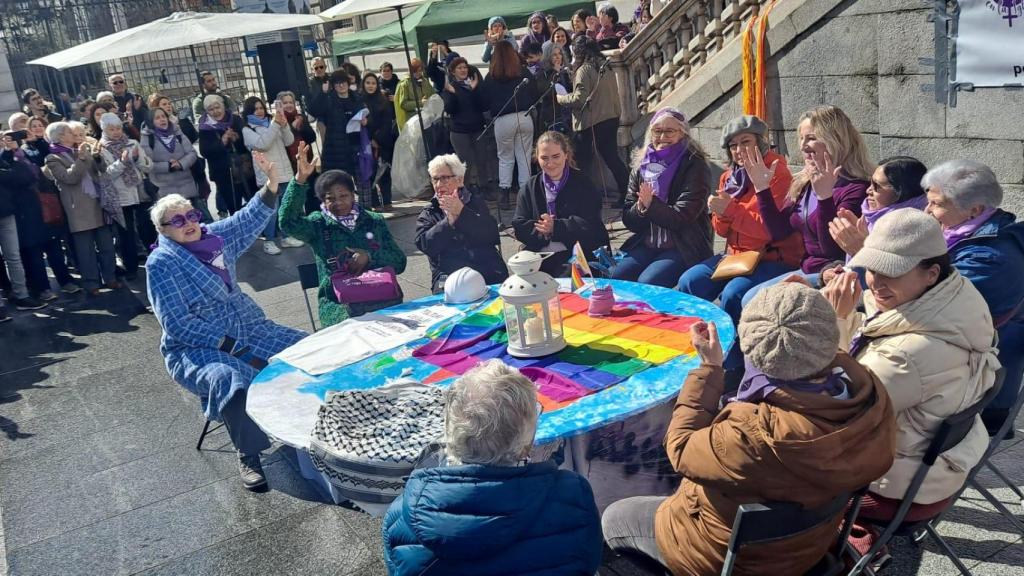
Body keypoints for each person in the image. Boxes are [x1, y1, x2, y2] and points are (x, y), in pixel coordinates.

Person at [602, 283, 897, 575]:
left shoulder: (750, 435)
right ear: (827, 340)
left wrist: (709, 369)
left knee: (615, 517)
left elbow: (680, 449)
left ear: (753, 351)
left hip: (731, 560)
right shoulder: (867, 392)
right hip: (810, 549)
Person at [822, 209, 998, 529]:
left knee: (775, 463)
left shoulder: (906, 355)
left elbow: (833, 404)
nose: (876, 282)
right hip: (934, 467)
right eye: (872, 268)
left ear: (931, 273)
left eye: (892, 272)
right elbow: (883, 322)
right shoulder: (956, 294)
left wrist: (834, 321)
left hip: (894, 486)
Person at [147, 153, 306, 491]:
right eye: (177, 221)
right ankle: (247, 453)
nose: (188, 222)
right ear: (164, 230)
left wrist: (271, 183)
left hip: (248, 326)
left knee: (305, 348)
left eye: (190, 214)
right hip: (196, 346)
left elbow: (248, 220)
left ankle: (309, 424)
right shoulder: (161, 263)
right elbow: (176, 323)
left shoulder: (213, 237)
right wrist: (224, 342)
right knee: (228, 377)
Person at [383, 359, 603, 575]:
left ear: (450, 436)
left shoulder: (401, 517)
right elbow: (588, 562)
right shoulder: (574, 497)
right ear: (526, 446)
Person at [677, 116, 798, 367]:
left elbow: (767, 230)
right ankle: (697, 348)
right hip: (737, 255)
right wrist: (719, 214)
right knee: (689, 281)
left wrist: (730, 211)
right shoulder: (729, 177)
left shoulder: (776, 171)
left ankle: (733, 363)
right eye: (733, 145)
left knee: (733, 294)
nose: (739, 150)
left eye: (746, 142)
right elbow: (723, 231)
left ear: (761, 143)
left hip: (772, 256)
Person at [921, 160, 1024, 436]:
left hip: (980, 399)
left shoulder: (992, 257)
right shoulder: (958, 238)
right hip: (955, 374)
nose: (927, 211)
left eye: (936, 204)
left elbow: (926, 305)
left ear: (974, 211)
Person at [740, 104, 872, 303]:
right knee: (743, 297)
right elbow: (779, 231)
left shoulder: (856, 188)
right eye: (801, 138)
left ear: (834, 140)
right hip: (807, 269)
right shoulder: (805, 183)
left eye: (811, 138)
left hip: (834, 275)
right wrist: (761, 188)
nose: (803, 146)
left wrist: (825, 197)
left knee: (751, 299)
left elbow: (833, 251)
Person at [279, 143, 407, 327]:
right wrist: (299, 181)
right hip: (340, 307)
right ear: (323, 200)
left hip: (382, 299)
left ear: (353, 195)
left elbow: (399, 262)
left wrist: (368, 257)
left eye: (344, 196)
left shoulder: (374, 220)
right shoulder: (318, 225)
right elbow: (287, 222)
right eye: (331, 198)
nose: (338, 203)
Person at [614, 107, 712, 288]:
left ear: (682, 134)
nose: (662, 137)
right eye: (657, 131)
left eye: (670, 131)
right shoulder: (641, 165)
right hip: (647, 241)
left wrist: (651, 205)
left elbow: (683, 217)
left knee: (649, 282)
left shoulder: (694, 165)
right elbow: (629, 218)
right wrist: (641, 209)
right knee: (618, 275)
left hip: (683, 244)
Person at [821, 156, 929, 284]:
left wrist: (863, 250)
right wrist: (828, 273)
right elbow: (847, 265)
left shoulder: (912, 228)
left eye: (876, 186)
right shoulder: (870, 219)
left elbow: (892, 285)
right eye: (870, 183)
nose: (868, 190)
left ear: (901, 191)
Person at [513, 131, 607, 276]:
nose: (550, 163)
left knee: (566, 280)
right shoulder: (529, 187)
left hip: (577, 254)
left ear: (566, 154)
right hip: (540, 256)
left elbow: (592, 225)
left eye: (556, 156)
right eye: (544, 158)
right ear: (537, 158)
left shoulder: (584, 183)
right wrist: (542, 230)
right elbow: (519, 225)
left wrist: (556, 227)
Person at [43, 122, 119, 295]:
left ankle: (110, 277)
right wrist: (82, 158)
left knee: (106, 245)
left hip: (97, 203)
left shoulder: (81, 150)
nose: (75, 135)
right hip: (77, 209)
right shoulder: (52, 158)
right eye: (70, 132)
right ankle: (92, 283)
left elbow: (101, 170)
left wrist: (97, 157)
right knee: (86, 251)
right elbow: (69, 178)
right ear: (61, 136)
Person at [415, 154, 507, 294]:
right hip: (448, 277)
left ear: (459, 180)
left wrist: (462, 212)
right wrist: (449, 221)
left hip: (485, 271)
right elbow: (425, 245)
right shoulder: (429, 212)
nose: (439, 185)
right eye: (435, 179)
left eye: (445, 178)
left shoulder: (475, 203)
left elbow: (491, 235)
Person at [557, 36, 629, 204]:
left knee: (580, 162)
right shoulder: (606, 67)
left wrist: (560, 98)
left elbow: (579, 99)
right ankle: (627, 193)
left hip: (591, 121)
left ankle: (585, 199)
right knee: (612, 158)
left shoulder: (584, 70)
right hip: (611, 117)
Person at [21, 118, 79, 295]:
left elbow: (48, 155)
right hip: (31, 206)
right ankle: (43, 287)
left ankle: (66, 280)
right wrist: (32, 142)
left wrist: (39, 141)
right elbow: (37, 164)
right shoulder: (23, 151)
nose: (37, 129)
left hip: (51, 200)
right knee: (38, 249)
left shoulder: (48, 146)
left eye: (40, 126)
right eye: (33, 127)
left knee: (54, 245)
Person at [241, 96, 304, 255]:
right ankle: (268, 241)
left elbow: (289, 141)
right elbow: (262, 144)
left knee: (286, 207)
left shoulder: (273, 122)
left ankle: (286, 236)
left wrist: (284, 126)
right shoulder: (248, 129)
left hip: (285, 171)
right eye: (255, 109)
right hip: (269, 174)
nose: (260, 111)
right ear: (249, 111)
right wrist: (276, 124)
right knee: (271, 210)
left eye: (261, 107)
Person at [482, 41, 537, 210]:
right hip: (524, 116)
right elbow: (534, 91)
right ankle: (526, 195)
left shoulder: (491, 76)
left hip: (502, 119)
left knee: (505, 158)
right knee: (524, 157)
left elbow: (484, 102)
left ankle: (504, 195)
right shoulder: (522, 71)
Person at [98, 113, 152, 281]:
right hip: (120, 195)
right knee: (126, 234)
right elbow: (105, 174)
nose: (116, 132)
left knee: (146, 227)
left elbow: (147, 166)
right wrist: (122, 162)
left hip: (139, 191)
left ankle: (154, 258)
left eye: (118, 128)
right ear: (104, 130)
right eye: (112, 129)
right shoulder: (101, 148)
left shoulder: (132, 142)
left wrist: (136, 158)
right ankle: (131, 267)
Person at [0, 133, 47, 312]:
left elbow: (18, 176)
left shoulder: (5, 157)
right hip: (7, 210)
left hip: (6, 212)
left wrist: (8, 151)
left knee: (13, 256)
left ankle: (22, 295)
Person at [140, 107, 206, 218]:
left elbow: (191, 153)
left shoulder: (177, 132)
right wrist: (168, 166)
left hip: (187, 186)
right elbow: (147, 164)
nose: (162, 119)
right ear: (151, 122)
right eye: (157, 118)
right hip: (165, 191)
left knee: (194, 220)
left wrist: (180, 164)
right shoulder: (148, 138)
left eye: (163, 116)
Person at [440, 59, 492, 198]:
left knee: (482, 159)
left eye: (464, 67)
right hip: (459, 131)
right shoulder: (450, 88)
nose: (463, 70)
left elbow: (483, 105)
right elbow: (450, 109)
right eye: (459, 68)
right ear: (453, 71)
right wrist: (453, 93)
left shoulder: (473, 85)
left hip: (477, 127)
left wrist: (475, 90)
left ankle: (484, 187)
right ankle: (464, 189)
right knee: (465, 162)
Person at [197, 94, 250, 216]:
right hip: (223, 172)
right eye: (211, 109)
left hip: (243, 168)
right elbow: (205, 151)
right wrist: (222, 141)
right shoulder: (205, 127)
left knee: (251, 199)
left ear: (223, 106)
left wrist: (237, 138)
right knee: (234, 206)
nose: (216, 111)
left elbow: (247, 141)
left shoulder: (235, 119)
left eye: (217, 107)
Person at [309, 70, 364, 176]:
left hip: (355, 146)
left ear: (348, 83)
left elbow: (367, 116)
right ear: (333, 85)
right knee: (336, 183)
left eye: (343, 82)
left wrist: (366, 121)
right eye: (337, 83)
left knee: (358, 183)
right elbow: (313, 112)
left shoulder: (356, 99)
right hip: (334, 150)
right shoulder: (329, 99)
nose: (341, 85)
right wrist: (322, 93)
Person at [277, 91, 319, 212]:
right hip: (290, 164)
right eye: (285, 103)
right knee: (297, 196)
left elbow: (312, 138)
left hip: (306, 161)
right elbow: (284, 142)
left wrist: (301, 127)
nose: (289, 105)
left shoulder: (300, 117)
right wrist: (291, 128)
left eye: (291, 102)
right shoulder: (278, 121)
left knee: (311, 194)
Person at [536, 42, 573, 135]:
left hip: (568, 115)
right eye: (554, 55)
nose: (558, 57)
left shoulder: (565, 71)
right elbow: (545, 91)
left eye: (560, 54)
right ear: (548, 57)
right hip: (552, 117)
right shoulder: (542, 73)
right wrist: (555, 73)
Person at [394, 59, 435, 134]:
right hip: (413, 121)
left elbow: (433, 95)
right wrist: (420, 103)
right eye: (416, 71)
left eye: (420, 70)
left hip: (427, 119)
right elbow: (403, 104)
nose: (419, 73)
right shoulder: (404, 84)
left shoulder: (425, 82)